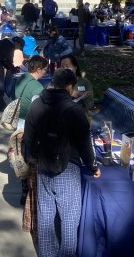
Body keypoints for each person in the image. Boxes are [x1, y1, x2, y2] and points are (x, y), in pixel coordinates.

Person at [23, 68, 100, 257]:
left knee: (46, 219)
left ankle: (47, 254)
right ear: (69, 86)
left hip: (43, 167)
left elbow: (29, 137)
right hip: (68, 169)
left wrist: (31, 158)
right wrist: (93, 166)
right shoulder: (74, 110)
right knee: (69, 220)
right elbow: (84, 143)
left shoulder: (38, 104)